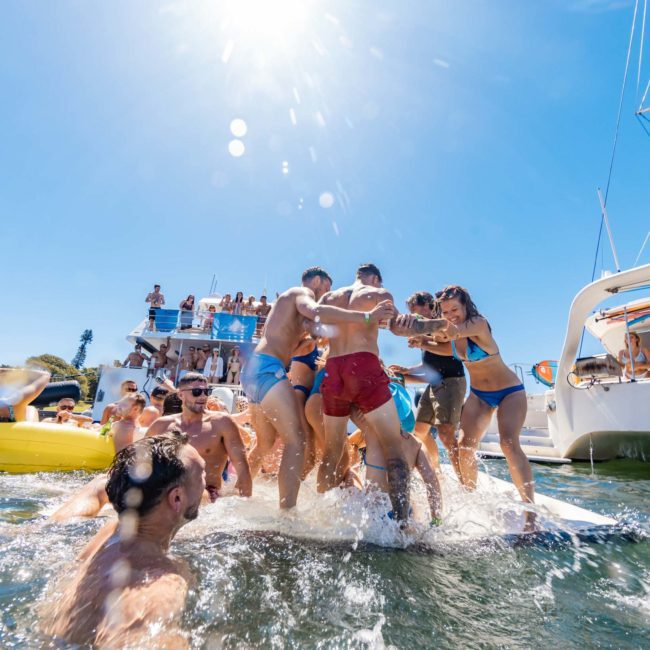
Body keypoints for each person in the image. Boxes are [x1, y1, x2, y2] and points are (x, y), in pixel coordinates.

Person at [240, 266, 395, 509]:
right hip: (268, 369)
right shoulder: (300, 292)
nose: (327, 292)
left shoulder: (290, 313)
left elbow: (302, 343)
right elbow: (317, 310)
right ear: (318, 281)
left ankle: (241, 496)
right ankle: (287, 512)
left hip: (255, 370)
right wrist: (366, 317)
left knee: (264, 443)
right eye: (326, 288)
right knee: (297, 442)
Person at [42, 431, 206, 648]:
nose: (207, 480)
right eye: (202, 474)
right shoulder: (159, 584)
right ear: (176, 498)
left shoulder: (110, 534)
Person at [315, 263, 447, 523]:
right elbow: (399, 327)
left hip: (333, 369)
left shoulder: (330, 297)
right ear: (375, 278)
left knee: (332, 450)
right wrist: (439, 325)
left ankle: (321, 517)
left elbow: (317, 330)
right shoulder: (378, 293)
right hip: (362, 365)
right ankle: (401, 525)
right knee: (394, 449)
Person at [434, 285, 536, 530]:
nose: (450, 315)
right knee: (464, 447)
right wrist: (419, 341)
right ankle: (471, 499)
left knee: (508, 444)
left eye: (455, 309)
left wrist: (425, 331)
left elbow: (448, 334)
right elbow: (439, 343)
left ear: (466, 306)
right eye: (445, 311)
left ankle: (531, 514)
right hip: (479, 395)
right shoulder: (452, 336)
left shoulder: (478, 323)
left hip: (510, 392)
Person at [389, 291, 466, 479]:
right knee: (420, 430)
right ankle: (436, 469)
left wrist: (423, 342)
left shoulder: (441, 323)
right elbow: (428, 366)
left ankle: (465, 482)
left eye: (416, 312)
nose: (415, 317)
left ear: (430, 305)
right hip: (434, 385)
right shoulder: (426, 331)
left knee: (446, 435)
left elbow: (452, 351)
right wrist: (407, 370)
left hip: (451, 382)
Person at [146, 372, 252, 501]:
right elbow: (139, 461)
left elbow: (243, 469)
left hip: (206, 496)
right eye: (196, 392)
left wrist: (244, 503)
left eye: (206, 391)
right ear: (180, 395)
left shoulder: (221, 423)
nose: (202, 396)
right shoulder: (161, 425)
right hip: (167, 497)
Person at [349, 411, 442, 525]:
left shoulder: (371, 432)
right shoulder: (417, 444)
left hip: (376, 510)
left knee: (350, 476)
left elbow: (350, 444)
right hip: (404, 510)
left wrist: (355, 469)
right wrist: (436, 520)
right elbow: (431, 479)